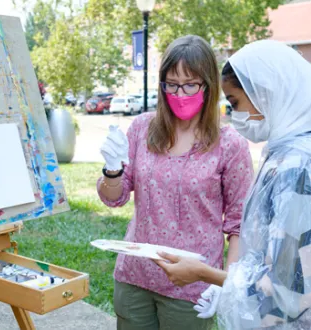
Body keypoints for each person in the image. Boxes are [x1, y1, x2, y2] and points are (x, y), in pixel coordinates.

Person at [155, 40, 311, 329]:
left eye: (235, 103)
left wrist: (206, 275)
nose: (235, 115)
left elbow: (288, 289)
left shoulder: (297, 167)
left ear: (266, 95)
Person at [96, 35, 254, 330]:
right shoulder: (143, 128)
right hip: (135, 278)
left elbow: (239, 224)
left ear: (208, 86)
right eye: (172, 83)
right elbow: (114, 199)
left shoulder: (230, 144)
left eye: (190, 84)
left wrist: (224, 283)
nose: (180, 92)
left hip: (192, 284)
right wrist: (112, 170)